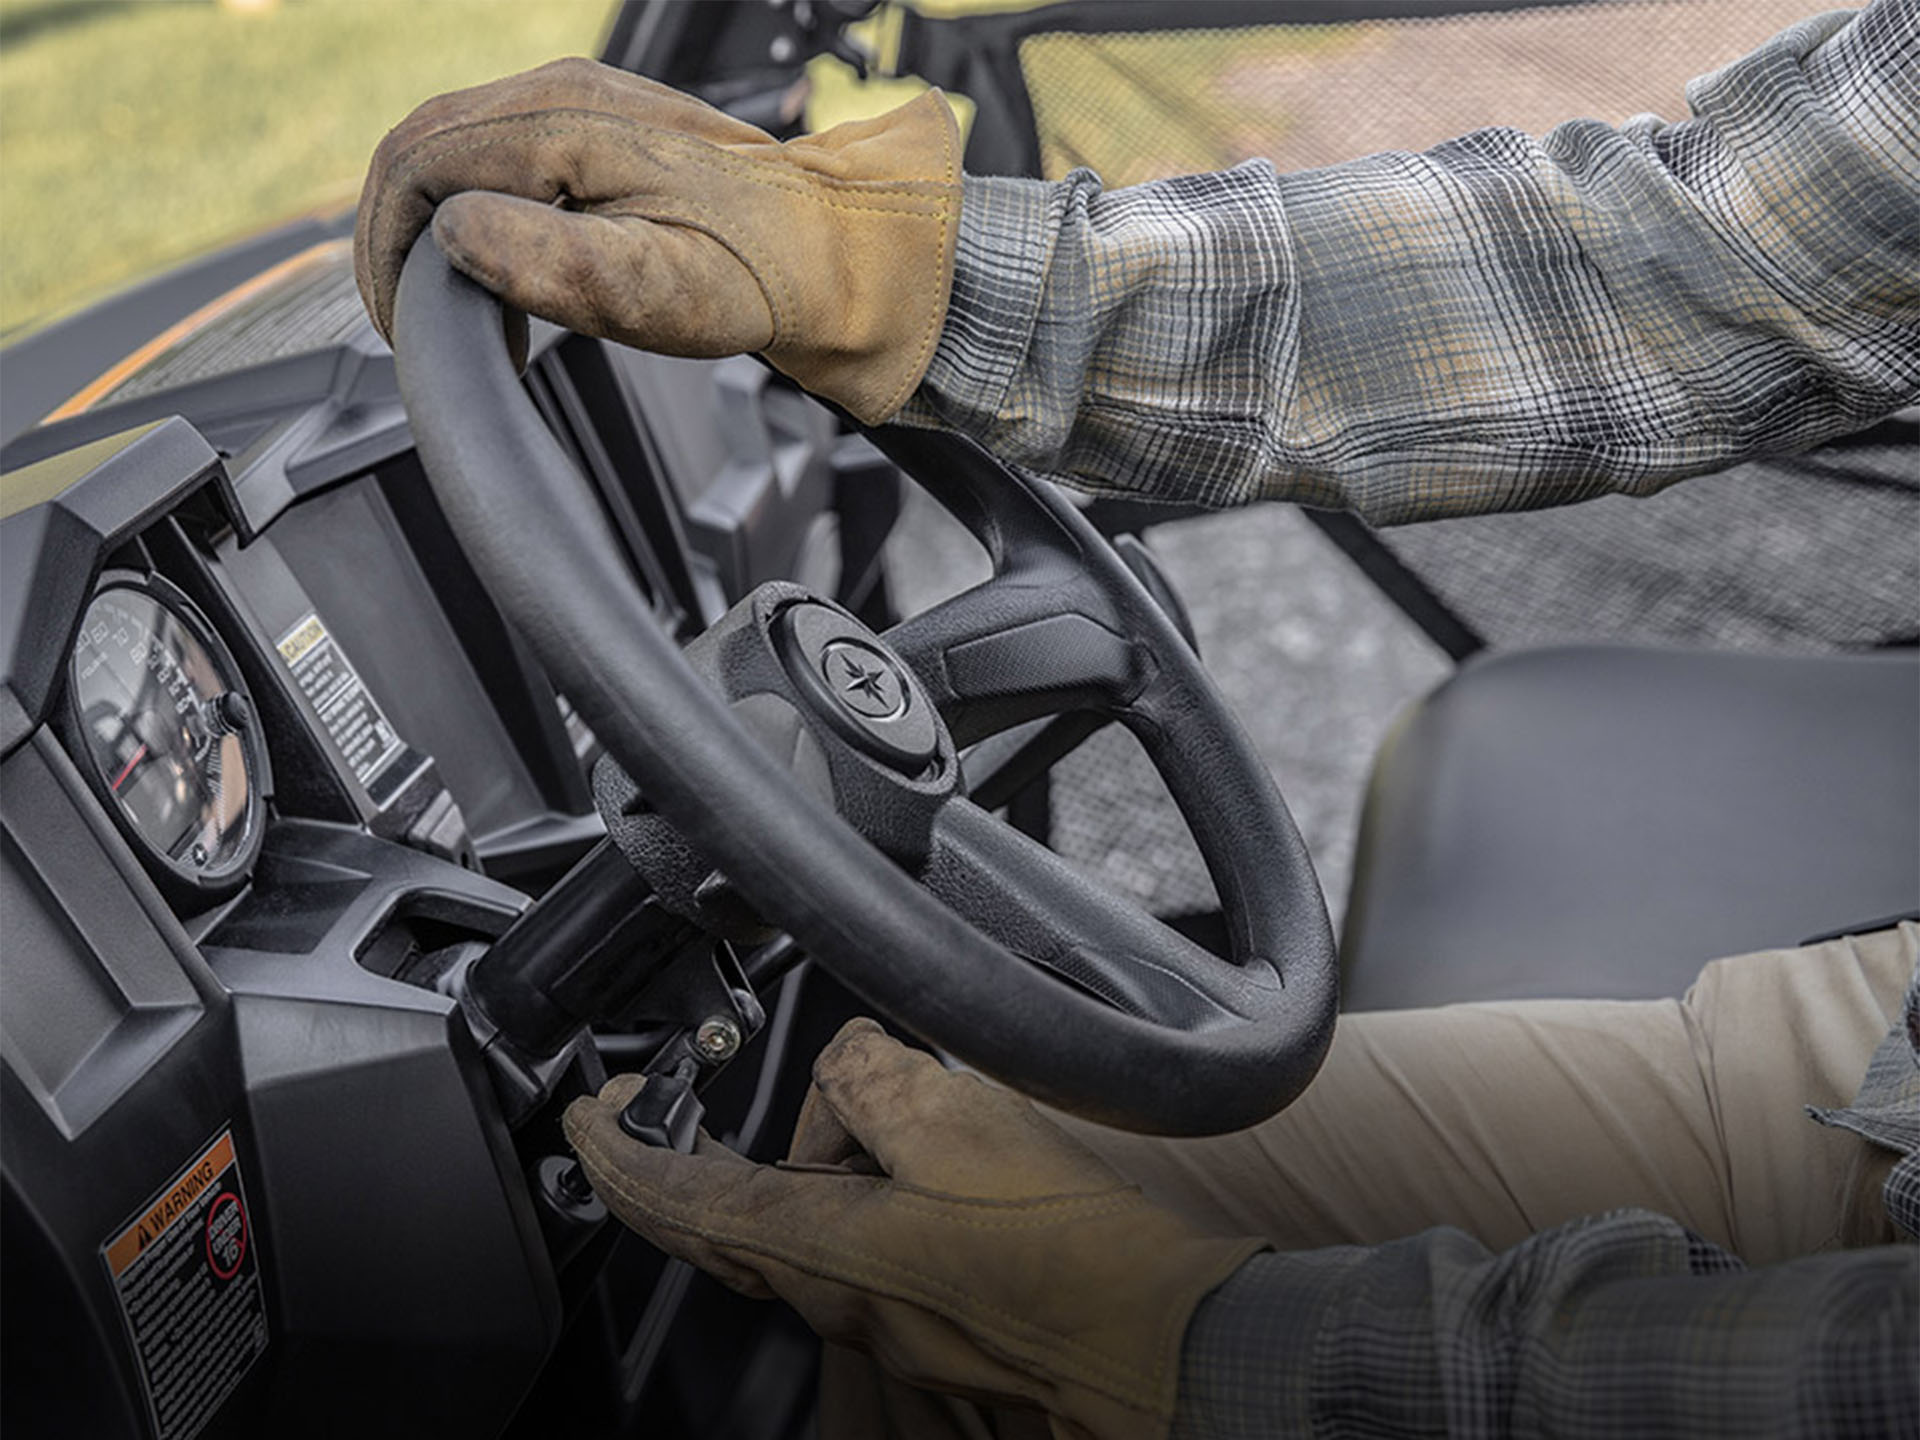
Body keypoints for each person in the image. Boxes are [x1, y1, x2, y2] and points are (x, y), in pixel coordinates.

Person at [355, 1, 1920, 1435]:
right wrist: (899, 278)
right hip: (1881, 1053)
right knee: (897, 1206)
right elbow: (1692, 252)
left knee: (954, 1327)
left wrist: (1176, 1339)